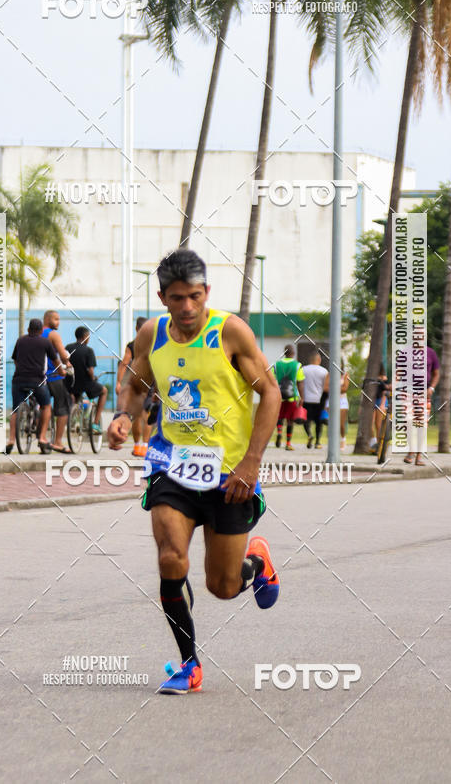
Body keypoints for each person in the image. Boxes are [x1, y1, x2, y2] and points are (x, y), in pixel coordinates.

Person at [107, 249, 281, 694]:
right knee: (170, 557)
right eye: (178, 298)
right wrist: (123, 416)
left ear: (207, 293)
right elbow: (135, 383)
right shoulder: (153, 334)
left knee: (222, 587)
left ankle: (255, 562)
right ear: (163, 296)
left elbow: (271, 394)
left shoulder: (230, 332)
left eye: (196, 297)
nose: (187, 308)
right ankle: (189, 664)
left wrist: (252, 461)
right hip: (172, 465)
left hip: (229, 473)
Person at [5, 318, 59, 454]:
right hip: (37, 381)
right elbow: (55, 359)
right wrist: (62, 371)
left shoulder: (20, 340)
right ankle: (41, 437)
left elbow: (16, 359)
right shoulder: (45, 341)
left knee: (16, 409)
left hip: (18, 380)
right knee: (46, 406)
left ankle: (11, 440)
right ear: (41, 331)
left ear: (28, 330)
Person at [116, 315, 151, 456]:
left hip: (137, 381)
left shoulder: (132, 345)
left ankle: (137, 447)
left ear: (136, 328)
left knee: (137, 415)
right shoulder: (153, 343)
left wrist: (119, 382)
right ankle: (145, 447)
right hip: (150, 382)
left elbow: (124, 363)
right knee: (147, 415)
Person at [65, 326, 108, 433]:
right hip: (85, 383)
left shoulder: (68, 348)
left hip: (70, 382)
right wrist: (93, 378)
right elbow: (90, 370)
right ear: (85, 336)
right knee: (104, 391)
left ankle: (73, 419)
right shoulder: (88, 350)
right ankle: (95, 423)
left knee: (75, 397)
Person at [42, 310, 72, 453]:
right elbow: (62, 355)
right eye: (56, 319)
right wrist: (69, 365)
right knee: (63, 406)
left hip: (38, 377)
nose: (58, 322)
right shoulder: (53, 334)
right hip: (53, 376)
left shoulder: (34, 334)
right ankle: (58, 442)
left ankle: (41, 438)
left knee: (43, 406)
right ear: (47, 319)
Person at [404, 345, 440, 466]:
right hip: (408, 392)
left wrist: (432, 388)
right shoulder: (406, 352)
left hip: (424, 394)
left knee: (421, 425)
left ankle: (418, 456)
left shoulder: (431, 352)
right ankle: (411, 449)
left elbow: (436, 373)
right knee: (407, 421)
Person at [273, 344, 305, 450]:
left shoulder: (276, 365)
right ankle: (288, 443)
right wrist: (302, 397)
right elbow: (300, 383)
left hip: (279, 396)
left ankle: (279, 432)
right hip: (293, 397)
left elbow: (272, 381)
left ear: (284, 353)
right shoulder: (297, 365)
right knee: (290, 420)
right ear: (293, 353)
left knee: (279, 417)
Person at [302, 350, 329, 449]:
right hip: (319, 399)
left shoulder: (303, 369)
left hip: (306, 399)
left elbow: (299, 383)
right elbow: (326, 387)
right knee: (318, 422)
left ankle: (309, 434)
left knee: (306, 420)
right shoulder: (324, 371)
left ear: (310, 359)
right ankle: (318, 442)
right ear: (319, 359)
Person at [325, 360, 350, 449]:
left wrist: (333, 388)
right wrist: (337, 388)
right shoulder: (329, 375)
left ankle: (343, 439)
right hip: (331, 400)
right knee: (331, 423)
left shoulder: (345, 375)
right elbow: (325, 388)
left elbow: (345, 388)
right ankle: (333, 442)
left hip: (342, 401)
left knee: (341, 423)